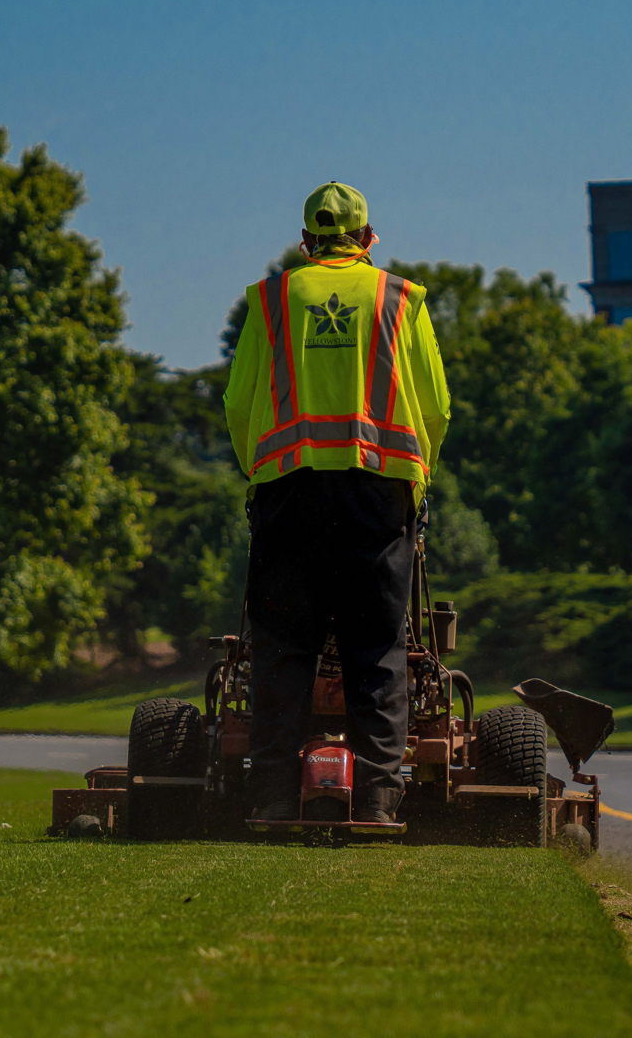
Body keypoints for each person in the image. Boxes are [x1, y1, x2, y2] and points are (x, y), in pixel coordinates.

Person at [222, 181, 451, 823]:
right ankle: (380, 799)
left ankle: (269, 797)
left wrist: (261, 472)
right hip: (378, 491)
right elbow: (435, 405)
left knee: (282, 645)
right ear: (368, 239)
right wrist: (415, 480)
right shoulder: (400, 298)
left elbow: (238, 404)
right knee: (377, 648)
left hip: (287, 489)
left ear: (305, 241)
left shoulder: (269, 301)